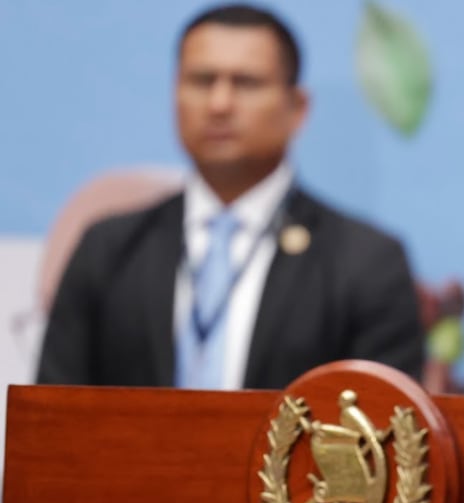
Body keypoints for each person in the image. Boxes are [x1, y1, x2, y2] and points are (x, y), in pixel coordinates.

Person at [36, 3, 424, 394]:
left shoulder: (366, 263)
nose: (219, 104)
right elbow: (53, 413)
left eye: (246, 83)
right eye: (202, 81)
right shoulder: (109, 249)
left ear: (297, 108)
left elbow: (382, 420)